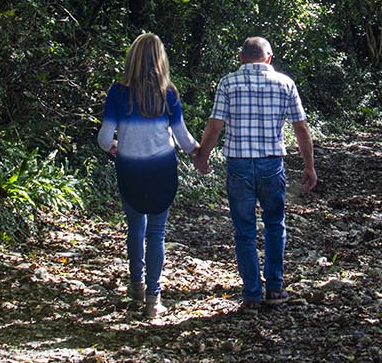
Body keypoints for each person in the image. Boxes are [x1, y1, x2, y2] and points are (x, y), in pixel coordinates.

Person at [193, 36, 317, 311]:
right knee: (275, 224)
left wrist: (202, 157)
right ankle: (274, 288)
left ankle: (251, 293)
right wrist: (309, 166)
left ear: (241, 58)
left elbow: (215, 126)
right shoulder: (285, 83)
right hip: (271, 164)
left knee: (244, 230)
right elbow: (301, 129)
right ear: (269, 57)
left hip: (238, 164)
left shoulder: (228, 82)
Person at [97, 32, 199, 319]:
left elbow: (105, 139)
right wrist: (198, 151)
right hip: (162, 171)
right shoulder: (169, 94)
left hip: (129, 169)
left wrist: (115, 146)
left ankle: (136, 286)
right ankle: (154, 300)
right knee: (157, 233)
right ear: (160, 59)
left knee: (135, 229)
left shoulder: (117, 93)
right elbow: (183, 139)